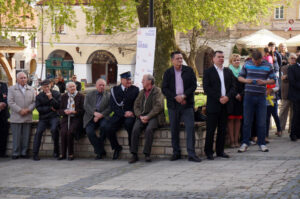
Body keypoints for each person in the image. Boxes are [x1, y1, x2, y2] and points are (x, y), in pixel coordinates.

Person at [162, 51, 201, 162]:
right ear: (172, 60)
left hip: (187, 104)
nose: (180, 60)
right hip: (173, 105)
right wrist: (175, 97)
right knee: (174, 128)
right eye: (178, 58)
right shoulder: (168, 72)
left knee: (190, 127)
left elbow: (193, 85)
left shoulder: (188, 70)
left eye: (181, 58)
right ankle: (176, 152)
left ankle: (191, 153)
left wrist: (184, 96)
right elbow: (164, 88)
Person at [238, 50, 276, 153]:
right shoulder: (247, 64)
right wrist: (246, 81)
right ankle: (245, 143)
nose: (256, 63)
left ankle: (262, 143)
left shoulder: (268, 65)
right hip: (248, 95)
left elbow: (273, 80)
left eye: (258, 62)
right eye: (254, 61)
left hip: (261, 96)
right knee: (247, 121)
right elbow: (240, 77)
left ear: (261, 58)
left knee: (262, 121)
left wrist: (265, 82)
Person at [203, 51, 235, 160]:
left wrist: (227, 97)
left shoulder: (228, 71)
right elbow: (206, 88)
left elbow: (233, 87)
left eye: (222, 57)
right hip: (213, 105)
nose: (221, 59)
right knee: (211, 130)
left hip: (225, 105)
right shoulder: (208, 72)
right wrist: (219, 98)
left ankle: (220, 151)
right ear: (213, 59)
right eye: (219, 57)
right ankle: (209, 152)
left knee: (222, 130)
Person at [129, 74, 164, 164]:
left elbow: (158, 106)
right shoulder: (141, 92)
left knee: (149, 129)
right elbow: (135, 106)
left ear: (149, 81)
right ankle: (134, 154)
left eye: (143, 80)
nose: (142, 82)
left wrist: (148, 116)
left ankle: (147, 154)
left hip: (154, 116)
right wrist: (140, 116)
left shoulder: (157, 91)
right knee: (135, 129)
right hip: (141, 116)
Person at [105, 71, 139, 160]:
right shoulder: (114, 90)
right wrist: (123, 113)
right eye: (127, 79)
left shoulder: (135, 89)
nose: (129, 81)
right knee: (108, 127)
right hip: (119, 114)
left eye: (130, 79)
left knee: (130, 125)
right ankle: (116, 147)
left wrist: (131, 112)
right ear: (121, 80)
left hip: (130, 114)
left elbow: (137, 104)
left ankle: (133, 152)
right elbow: (113, 106)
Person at [7, 72, 35, 159]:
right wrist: (20, 110)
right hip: (16, 116)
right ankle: (15, 153)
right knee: (16, 137)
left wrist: (28, 110)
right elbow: (10, 102)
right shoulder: (11, 89)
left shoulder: (31, 89)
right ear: (17, 79)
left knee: (26, 136)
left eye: (25, 78)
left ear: (27, 79)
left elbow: (34, 102)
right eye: (21, 78)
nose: (23, 79)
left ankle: (24, 153)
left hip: (27, 116)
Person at [32, 79, 61, 161]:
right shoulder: (39, 96)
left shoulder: (56, 94)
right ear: (42, 87)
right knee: (38, 132)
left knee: (54, 129)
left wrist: (51, 98)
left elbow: (58, 106)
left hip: (54, 117)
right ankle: (35, 153)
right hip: (43, 118)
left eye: (48, 86)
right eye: (44, 87)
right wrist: (50, 108)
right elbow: (39, 109)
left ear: (50, 85)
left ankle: (56, 151)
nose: (46, 89)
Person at [83, 78, 111, 159]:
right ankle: (100, 149)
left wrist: (100, 115)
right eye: (100, 85)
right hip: (90, 116)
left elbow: (110, 108)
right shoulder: (89, 94)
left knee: (104, 127)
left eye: (103, 85)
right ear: (96, 86)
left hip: (103, 117)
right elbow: (86, 106)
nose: (102, 86)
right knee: (89, 131)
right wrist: (94, 113)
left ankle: (99, 153)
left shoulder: (108, 95)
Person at [58, 82, 84, 160]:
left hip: (76, 118)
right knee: (63, 132)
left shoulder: (81, 96)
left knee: (70, 132)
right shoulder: (64, 96)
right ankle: (63, 153)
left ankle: (70, 153)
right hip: (66, 118)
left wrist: (74, 112)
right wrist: (65, 111)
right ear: (67, 89)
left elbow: (83, 110)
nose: (72, 88)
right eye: (70, 87)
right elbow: (60, 109)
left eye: (73, 86)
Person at [227, 54, 243, 148]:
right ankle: (232, 141)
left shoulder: (242, 71)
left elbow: (245, 84)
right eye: (235, 60)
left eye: (238, 60)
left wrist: (241, 94)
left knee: (238, 119)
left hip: (240, 98)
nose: (237, 61)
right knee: (231, 120)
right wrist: (235, 94)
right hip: (231, 98)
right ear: (231, 62)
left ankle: (237, 140)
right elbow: (228, 85)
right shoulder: (228, 71)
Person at [279, 53, 297, 134]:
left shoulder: (297, 68)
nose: (293, 60)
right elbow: (283, 78)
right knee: (283, 112)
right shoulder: (284, 68)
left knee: (293, 112)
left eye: (294, 58)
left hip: (295, 94)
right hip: (286, 93)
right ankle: (280, 129)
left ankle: (291, 129)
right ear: (289, 59)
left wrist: (288, 77)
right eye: (292, 58)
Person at [287, 55, 300, 141]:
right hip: (296, 96)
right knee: (296, 115)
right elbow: (292, 81)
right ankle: (293, 134)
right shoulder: (292, 68)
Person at [0, 81, 9, 157]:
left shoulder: (3, 85)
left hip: (3, 114)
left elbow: (7, 97)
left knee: (3, 134)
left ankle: (2, 153)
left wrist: (4, 103)